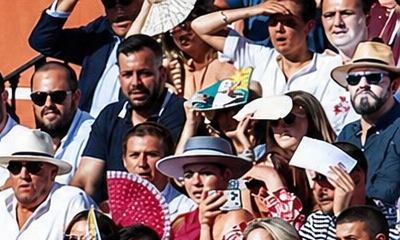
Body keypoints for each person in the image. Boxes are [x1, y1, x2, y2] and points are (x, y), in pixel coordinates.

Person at [192, 0, 353, 128]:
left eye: (289, 22)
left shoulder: (330, 66)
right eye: (273, 21)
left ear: (309, 27)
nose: (279, 28)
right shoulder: (259, 57)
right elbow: (199, 27)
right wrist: (254, 10)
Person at [71, 34, 187, 202]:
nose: (135, 82)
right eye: (127, 74)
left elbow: (173, 179)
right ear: (119, 78)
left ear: (162, 74)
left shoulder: (183, 113)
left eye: (144, 73)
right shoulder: (109, 115)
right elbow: (84, 183)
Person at [156, 134, 254, 240]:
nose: (195, 182)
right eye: (188, 175)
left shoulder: (236, 218)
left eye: (206, 173)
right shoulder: (180, 221)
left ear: (226, 175)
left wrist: (206, 227)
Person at [29, 0, 143, 115]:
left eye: (126, 1)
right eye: (110, 3)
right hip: (87, 127)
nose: (119, 10)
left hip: (130, 127)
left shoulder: (157, 41)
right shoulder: (101, 33)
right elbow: (42, 40)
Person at [332, 41, 400, 205]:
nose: (362, 85)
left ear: (394, 86)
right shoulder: (347, 132)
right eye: (353, 79)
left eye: (373, 77)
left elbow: (385, 198)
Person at [31, 60, 95, 164]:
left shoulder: (92, 136)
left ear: (76, 97)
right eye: (39, 97)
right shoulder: (29, 140)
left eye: (58, 96)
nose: (48, 104)